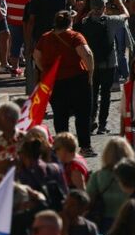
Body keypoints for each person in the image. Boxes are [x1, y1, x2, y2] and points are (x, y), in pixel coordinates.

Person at [33, 11, 95, 156]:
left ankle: (63, 147)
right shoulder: (75, 36)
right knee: (83, 114)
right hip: (77, 79)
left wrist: (45, 70)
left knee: (60, 115)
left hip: (55, 81)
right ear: (70, 22)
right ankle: (85, 147)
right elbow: (87, 54)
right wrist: (90, 73)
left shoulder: (45, 37)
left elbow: (36, 55)